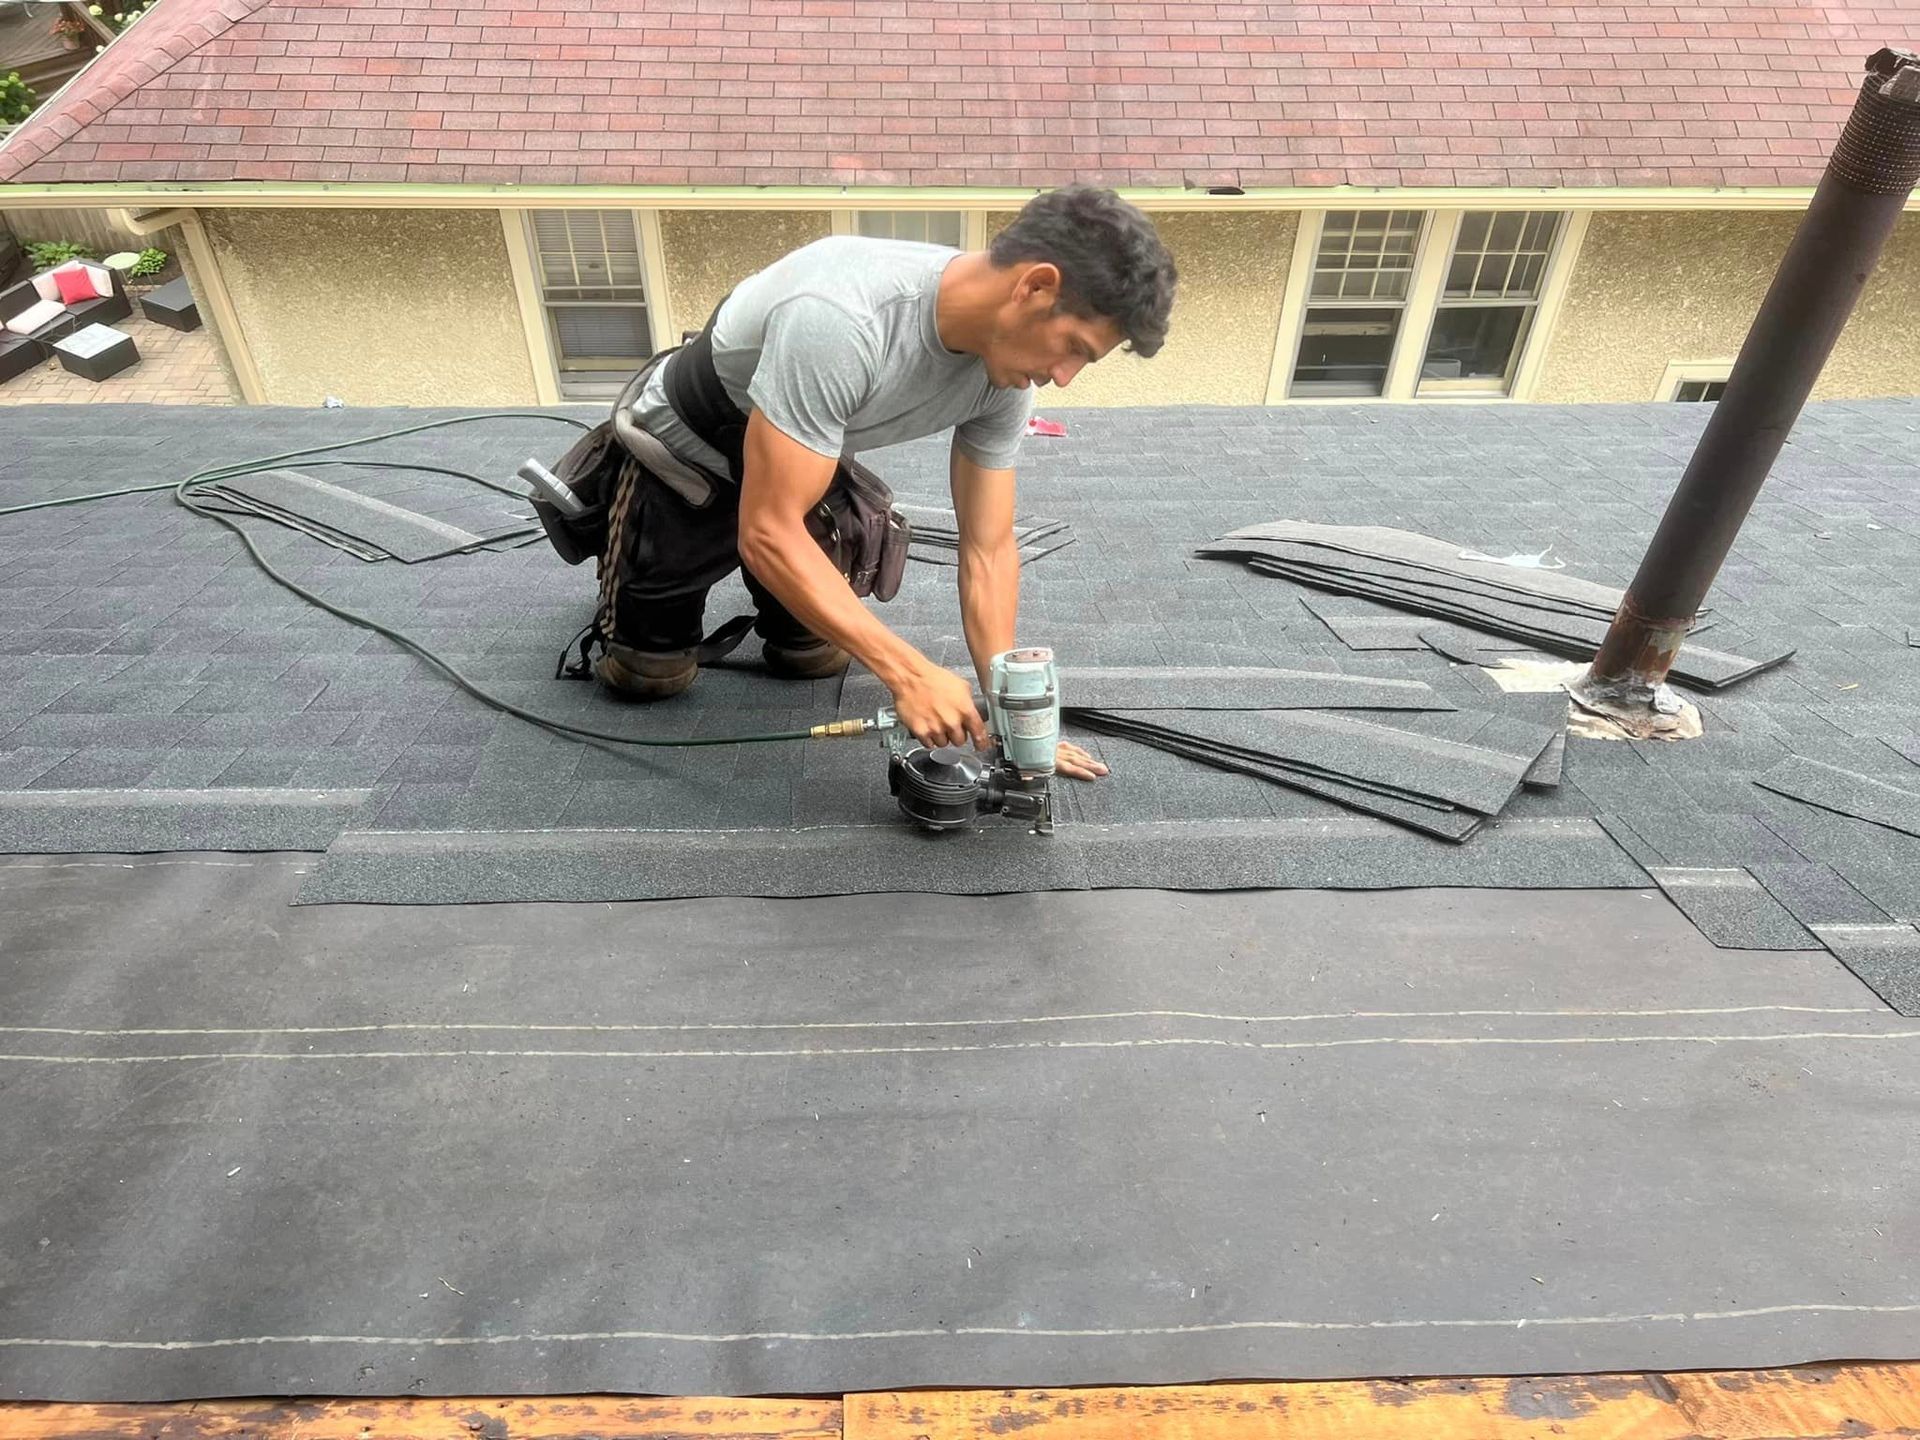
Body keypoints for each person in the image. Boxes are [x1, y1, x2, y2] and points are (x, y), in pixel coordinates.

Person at [593, 184, 1175, 782]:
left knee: (813, 659)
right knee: (650, 679)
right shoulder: (842, 318)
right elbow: (766, 532)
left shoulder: (1008, 379)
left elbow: (989, 547)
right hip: (685, 457)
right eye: (1073, 348)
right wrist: (909, 672)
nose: (1064, 378)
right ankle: (633, 572)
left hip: (799, 460)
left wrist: (1010, 713)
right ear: (1035, 287)